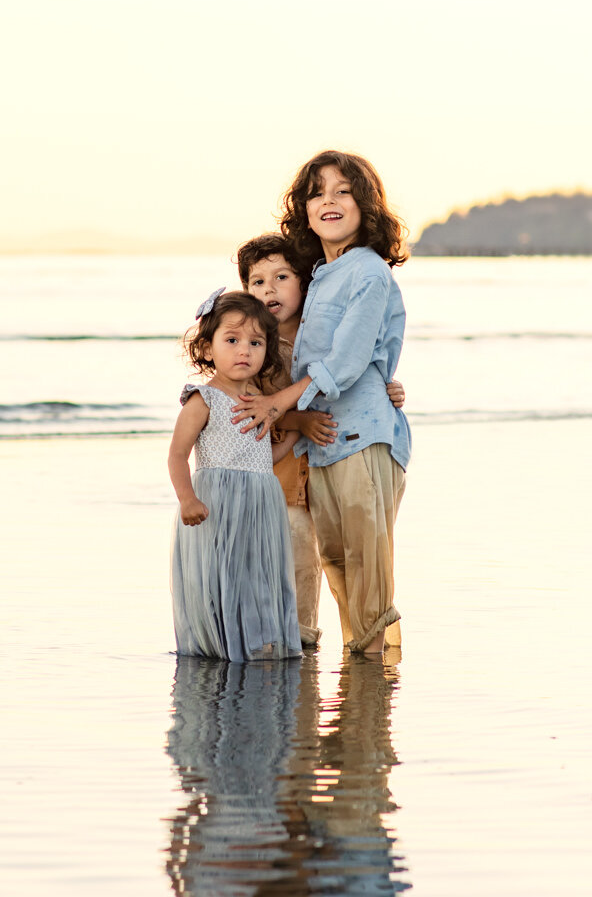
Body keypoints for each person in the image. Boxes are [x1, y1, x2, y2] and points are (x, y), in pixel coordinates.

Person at [233, 154, 411, 656]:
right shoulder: (320, 277)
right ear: (305, 211)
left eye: (342, 191)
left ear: (366, 204)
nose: (329, 200)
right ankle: (361, 696)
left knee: (367, 573)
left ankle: (374, 694)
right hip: (328, 447)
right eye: (317, 192)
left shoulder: (369, 271)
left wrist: (278, 404)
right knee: (339, 569)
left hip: (364, 439)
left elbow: (348, 361)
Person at [168, 289, 302, 663]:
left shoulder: (258, 400)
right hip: (218, 504)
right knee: (221, 576)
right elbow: (178, 454)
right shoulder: (202, 399)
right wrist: (187, 498)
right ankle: (224, 646)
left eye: (255, 342)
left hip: (260, 503)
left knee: (256, 576)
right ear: (208, 349)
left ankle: (256, 645)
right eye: (232, 340)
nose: (244, 350)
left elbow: (260, 456)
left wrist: (294, 434)